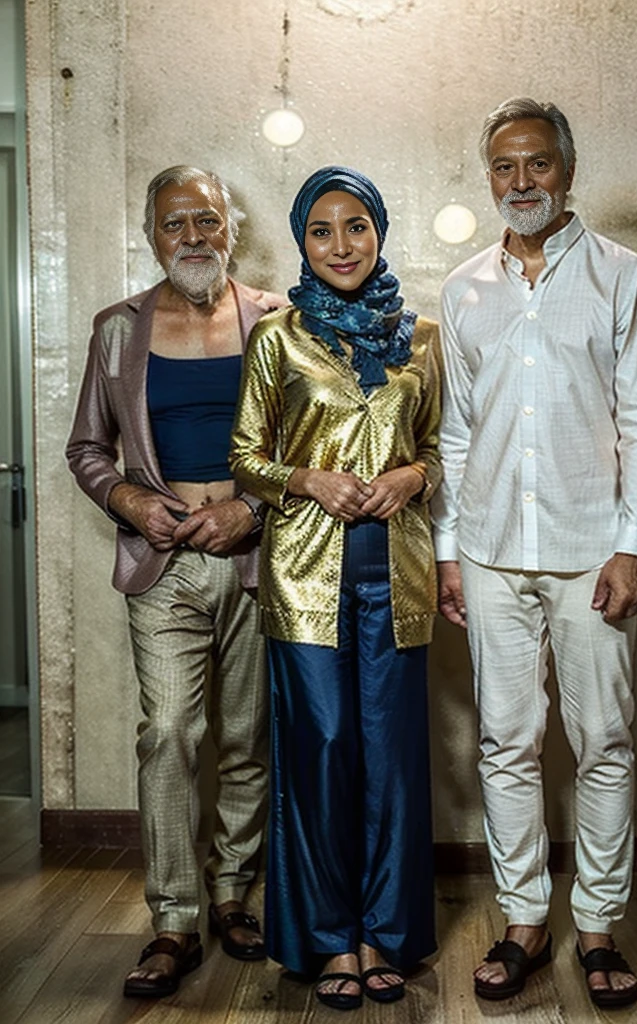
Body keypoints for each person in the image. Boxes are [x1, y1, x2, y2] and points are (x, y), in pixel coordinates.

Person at [432, 98, 637, 1009]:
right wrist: (451, 552)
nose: (520, 182)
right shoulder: (463, 291)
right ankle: (525, 918)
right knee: (505, 741)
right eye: (504, 167)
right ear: (488, 176)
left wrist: (633, 545)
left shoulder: (625, 277)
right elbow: (455, 432)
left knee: (603, 741)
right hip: (489, 549)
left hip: (591, 550)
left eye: (537, 165)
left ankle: (599, 928)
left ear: (567, 171)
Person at [66, 165, 285, 998]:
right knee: (170, 733)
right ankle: (173, 919)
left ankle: (235, 895)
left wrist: (253, 510)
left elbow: (310, 440)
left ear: (231, 226)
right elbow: (88, 448)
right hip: (161, 568)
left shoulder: (279, 320)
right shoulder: (117, 329)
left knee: (246, 736)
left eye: (205, 219)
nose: (191, 236)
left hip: (258, 562)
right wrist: (128, 497)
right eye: (172, 224)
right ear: (150, 233)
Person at [230, 166, 440, 1010]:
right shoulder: (277, 338)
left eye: (356, 226)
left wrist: (415, 477)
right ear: (302, 242)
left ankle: (381, 936)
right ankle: (324, 940)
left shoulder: (421, 338)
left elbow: (443, 446)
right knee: (319, 754)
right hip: (304, 578)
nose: (341, 244)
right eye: (322, 230)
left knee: (389, 759)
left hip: (399, 578)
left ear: (379, 232)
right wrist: (308, 480)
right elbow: (244, 458)